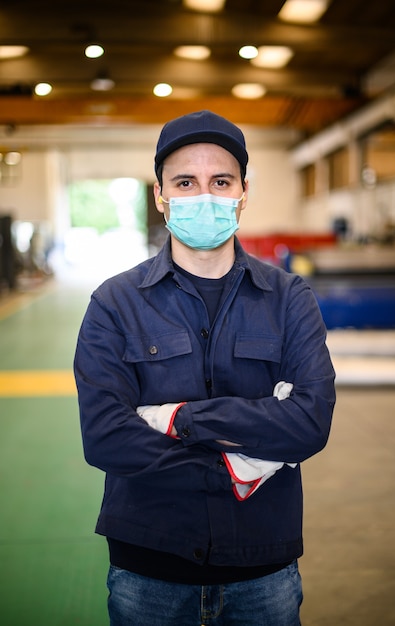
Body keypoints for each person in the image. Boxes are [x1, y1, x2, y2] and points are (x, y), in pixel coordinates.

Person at [74, 110, 336, 626]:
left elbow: (309, 424)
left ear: (243, 192)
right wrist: (235, 465)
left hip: (263, 565)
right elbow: (105, 437)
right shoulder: (114, 303)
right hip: (148, 566)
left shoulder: (289, 299)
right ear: (160, 196)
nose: (204, 196)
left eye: (220, 181)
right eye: (185, 182)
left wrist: (180, 420)